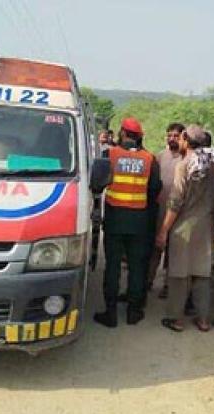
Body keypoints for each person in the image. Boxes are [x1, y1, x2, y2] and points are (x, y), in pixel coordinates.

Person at [94, 118, 162, 327]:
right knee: (137, 266)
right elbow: (154, 190)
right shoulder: (150, 158)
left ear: (123, 133)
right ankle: (134, 312)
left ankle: (111, 313)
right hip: (139, 220)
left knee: (113, 266)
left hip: (115, 219)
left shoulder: (110, 154)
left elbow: (97, 183)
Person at [156, 124, 214, 332]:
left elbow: (175, 201)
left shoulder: (183, 166)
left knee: (179, 275)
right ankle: (203, 320)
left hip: (183, 227)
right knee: (202, 274)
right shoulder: (213, 166)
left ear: (186, 140)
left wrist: (164, 230)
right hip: (206, 227)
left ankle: (176, 318)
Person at [147, 122, 185, 299]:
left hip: (178, 213)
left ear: (182, 137)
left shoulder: (186, 160)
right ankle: (148, 281)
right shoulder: (160, 157)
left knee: (173, 252)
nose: (172, 139)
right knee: (154, 248)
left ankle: (168, 286)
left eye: (176, 136)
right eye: (169, 135)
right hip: (159, 210)